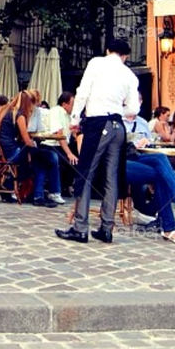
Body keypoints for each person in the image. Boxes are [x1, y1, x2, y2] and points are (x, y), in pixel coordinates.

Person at [56, 38, 139, 245]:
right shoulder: (130, 75)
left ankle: (80, 228)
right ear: (125, 55)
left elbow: (82, 92)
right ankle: (106, 228)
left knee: (86, 173)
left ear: (108, 50)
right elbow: (133, 110)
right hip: (118, 126)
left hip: (97, 123)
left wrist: (75, 119)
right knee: (112, 176)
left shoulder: (96, 63)